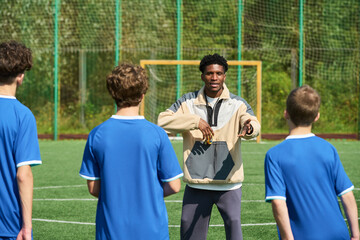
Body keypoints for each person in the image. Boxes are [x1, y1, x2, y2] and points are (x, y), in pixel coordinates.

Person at [158, 53, 260, 240]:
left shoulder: (238, 104)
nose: (214, 78)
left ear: (224, 76)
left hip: (229, 185)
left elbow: (252, 122)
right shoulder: (187, 102)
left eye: (219, 73)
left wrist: (250, 128)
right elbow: (162, 121)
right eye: (209, 73)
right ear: (202, 75)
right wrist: (195, 121)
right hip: (197, 185)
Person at [79, 63, 183, 240]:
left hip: (111, 230)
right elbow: (174, 185)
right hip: (152, 231)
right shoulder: (157, 134)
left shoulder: (97, 135)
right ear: (143, 95)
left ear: (113, 94)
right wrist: (148, 195)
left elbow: (93, 188)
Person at [264, 85, 359, 240]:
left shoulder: (274, 155)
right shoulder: (328, 148)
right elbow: (347, 194)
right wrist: (356, 235)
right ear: (317, 116)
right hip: (339, 234)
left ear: (286, 114)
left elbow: (278, 203)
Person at [0, 41, 42, 240]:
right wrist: (27, 227)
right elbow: (23, 175)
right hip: (8, 224)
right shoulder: (22, 116)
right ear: (20, 76)